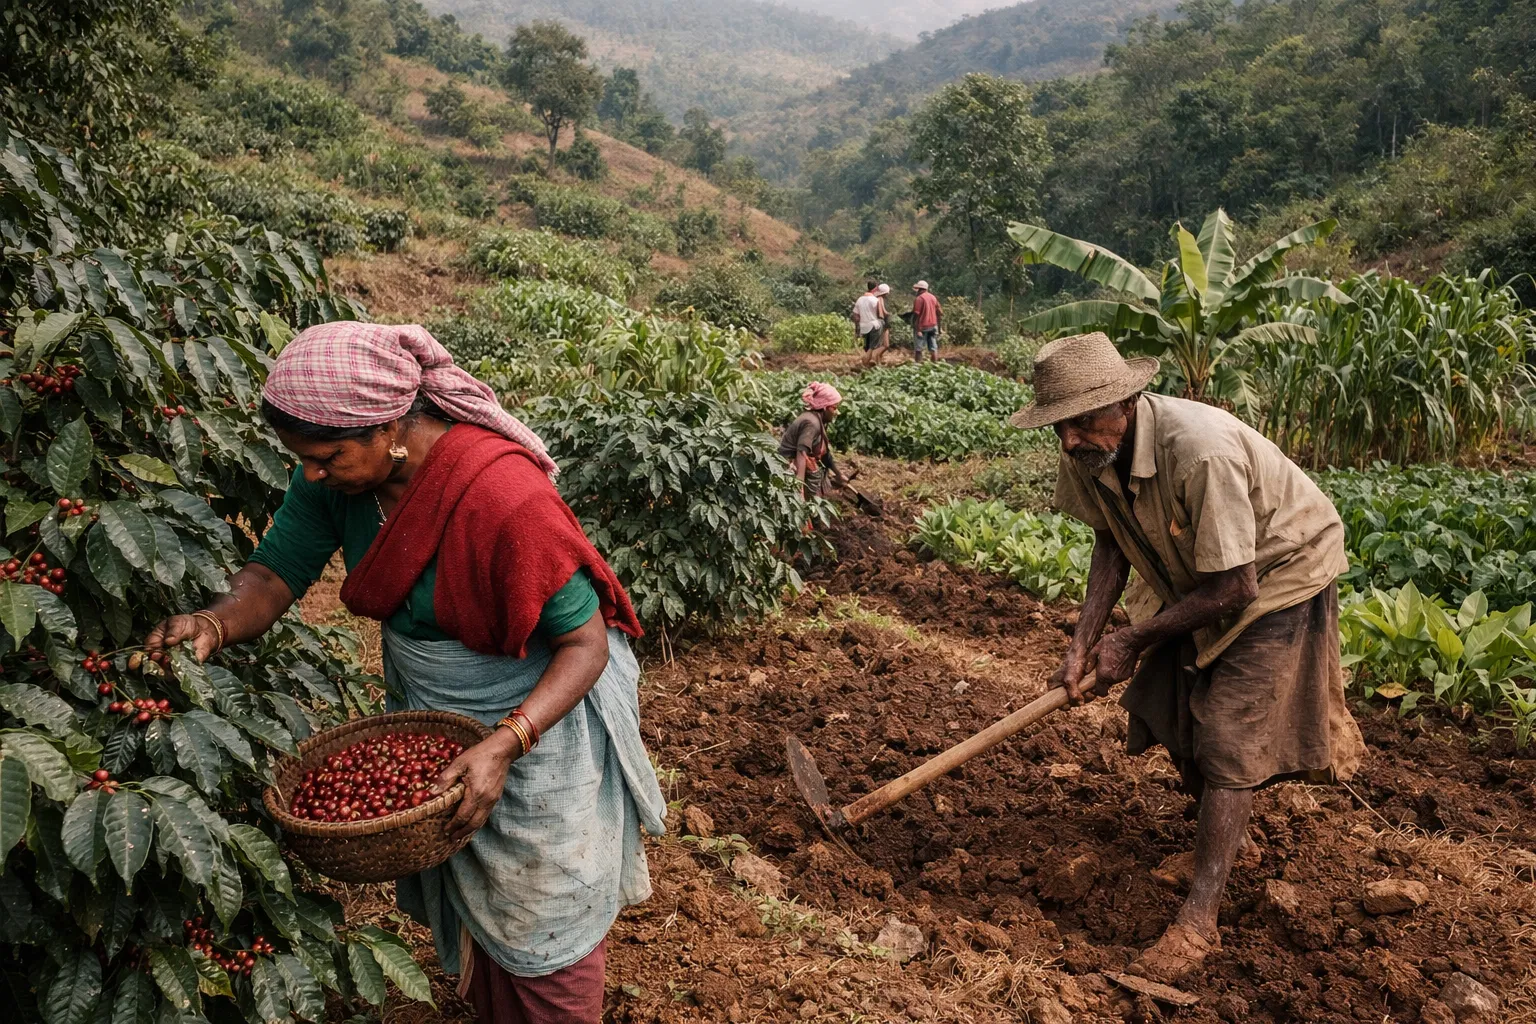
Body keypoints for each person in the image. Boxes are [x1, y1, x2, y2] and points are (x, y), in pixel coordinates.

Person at [144, 322, 666, 1024]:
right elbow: (273, 572)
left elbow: (583, 646)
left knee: (546, 896)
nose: (313, 474)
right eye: (303, 458)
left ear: (389, 426)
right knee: (474, 881)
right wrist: (212, 623)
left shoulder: (503, 496)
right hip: (439, 706)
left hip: (541, 711)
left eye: (326, 457)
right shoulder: (338, 481)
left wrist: (507, 741)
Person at [1010, 332, 1365, 983]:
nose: (1068, 440)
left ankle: (1200, 918)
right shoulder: (1088, 451)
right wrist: (1084, 640)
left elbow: (1237, 587)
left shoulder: (1199, 452)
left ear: (1126, 402)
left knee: (1228, 732)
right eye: (1059, 426)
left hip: (1278, 573)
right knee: (1166, 705)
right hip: (1198, 575)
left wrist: (1133, 639)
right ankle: (1237, 846)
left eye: (1082, 422)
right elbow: (1109, 543)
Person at [779, 381, 849, 500]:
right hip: (789, 466)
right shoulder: (812, 423)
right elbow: (801, 452)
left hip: (802, 464)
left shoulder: (818, 420)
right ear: (825, 408)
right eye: (834, 408)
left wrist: (838, 474)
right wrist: (799, 485)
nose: (837, 413)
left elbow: (824, 453)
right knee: (808, 505)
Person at [853, 282, 891, 367]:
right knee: (872, 347)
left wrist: (857, 329)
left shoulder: (860, 299)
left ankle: (868, 364)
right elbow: (880, 314)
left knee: (867, 346)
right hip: (874, 325)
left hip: (863, 326)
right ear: (875, 289)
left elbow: (855, 316)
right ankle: (866, 361)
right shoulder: (876, 300)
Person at [910, 281, 942, 362]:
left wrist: (916, 327)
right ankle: (935, 365)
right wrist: (939, 328)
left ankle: (918, 366)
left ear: (919, 289)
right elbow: (940, 313)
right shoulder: (933, 297)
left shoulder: (919, 299)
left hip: (922, 326)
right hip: (933, 326)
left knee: (918, 349)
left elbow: (916, 314)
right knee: (933, 348)